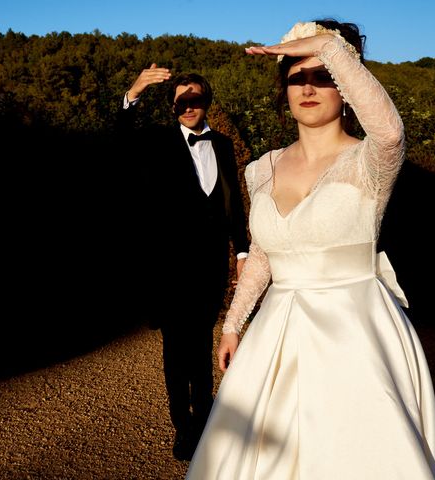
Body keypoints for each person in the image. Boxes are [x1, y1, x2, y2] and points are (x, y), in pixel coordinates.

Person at [186, 19, 435, 479]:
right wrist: (232, 325)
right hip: (277, 333)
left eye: (323, 76)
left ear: (345, 85)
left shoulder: (371, 160)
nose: (308, 87)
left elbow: (389, 130)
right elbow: (264, 254)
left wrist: (331, 48)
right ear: (283, 92)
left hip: (356, 331)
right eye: (296, 77)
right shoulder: (260, 169)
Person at [118, 67, 249, 461]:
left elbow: (233, 204)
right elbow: (122, 139)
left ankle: (205, 416)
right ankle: (184, 428)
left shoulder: (223, 145)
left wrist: (242, 252)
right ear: (172, 105)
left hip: (210, 269)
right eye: (181, 101)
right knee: (177, 351)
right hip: (170, 270)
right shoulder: (158, 142)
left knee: (202, 347)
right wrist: (135, 91)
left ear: (206, 100)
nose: (189, 106)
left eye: (196, 99)